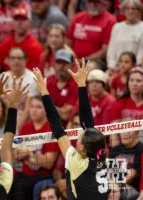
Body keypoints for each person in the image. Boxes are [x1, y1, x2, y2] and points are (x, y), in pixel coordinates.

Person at [32, 58, 110, 200]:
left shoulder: (77, 162)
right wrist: (81, 84)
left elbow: (58, 129)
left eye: (80, 138)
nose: (78, 136)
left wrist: (44, 92)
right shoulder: (101, 158)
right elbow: (88, 123)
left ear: (82, 148)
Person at [0, 7, 44, 72]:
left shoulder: (35, 47)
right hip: (8, 80)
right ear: (13, 22)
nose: (19, 23)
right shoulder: (5, 44)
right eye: (17, 19)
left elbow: (35, 75)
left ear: (30, 23)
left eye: (23, 19)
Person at [107, 0, 143, 69]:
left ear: (139, 10)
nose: (130, 11)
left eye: (133, 9)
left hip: (135, 68)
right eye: (127, 8)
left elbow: (141, 53)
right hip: (116, 67)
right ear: (123, 10)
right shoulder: (117, 27)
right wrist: (111, 67)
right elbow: (111, 50)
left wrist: (133, 67)